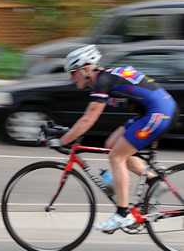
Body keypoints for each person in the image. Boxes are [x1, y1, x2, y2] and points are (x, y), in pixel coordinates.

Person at [54, 45, 178, 231]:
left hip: (158, 113)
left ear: (86, 69)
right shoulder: (106, 78)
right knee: (112, 144)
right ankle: (154, 182)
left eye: (73, 73)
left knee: (116, 156)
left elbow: (88, 119)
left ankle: (122, 214)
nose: (71, 78)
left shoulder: (102, 81)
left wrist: (62, 140)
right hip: (154, 110)